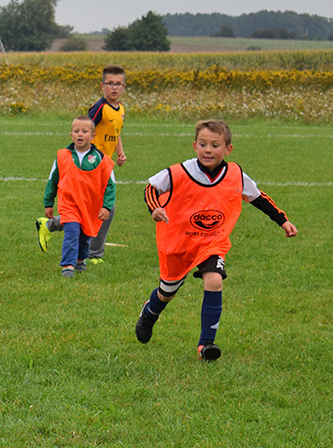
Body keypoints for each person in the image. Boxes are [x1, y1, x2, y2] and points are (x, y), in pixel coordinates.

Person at [135, 119, 297, 361]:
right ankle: (150, 311)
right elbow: (151, 188)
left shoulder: (235, 174)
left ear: (227, 149)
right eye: (202, 144)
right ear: (195, 146)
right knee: (167, 292)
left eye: (214, 145)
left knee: (214, 280)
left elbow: (257, 197)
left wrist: (282, 220)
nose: (207, 150)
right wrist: (155, 208)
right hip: (177, 241)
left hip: (212, 241)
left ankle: (206, 345)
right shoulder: (179, 172)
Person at [36, 65, 126, 259]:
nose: (114, 88)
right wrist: (81, 154)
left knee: (98, 208)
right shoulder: (99, 108)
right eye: (110, 83)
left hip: (103, 164)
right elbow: (86, 126)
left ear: (124, 87)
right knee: (101, 208)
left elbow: (116, 132)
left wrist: (120, 152)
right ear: (102, 85)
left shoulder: (120, 110)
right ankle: (93, 254)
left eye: (118, 84)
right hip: (89, 164)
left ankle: (50, 225)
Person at [39, 116, 115, 277]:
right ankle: (68, 266)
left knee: (85, 234)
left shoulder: (101, 159)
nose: (80, 134)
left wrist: (106, 206)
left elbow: (109, 185)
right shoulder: (62, 156)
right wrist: (48, 203)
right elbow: (52, 180)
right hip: (69, 204)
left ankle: (80, 260)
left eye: (85, 131)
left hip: (90, 206)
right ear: (71, 134)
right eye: (76, 131)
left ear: (93, 136)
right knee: (72, 232)